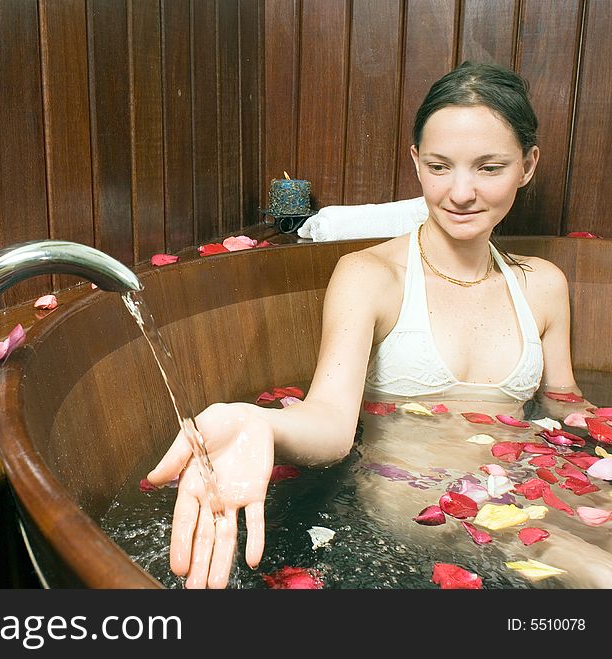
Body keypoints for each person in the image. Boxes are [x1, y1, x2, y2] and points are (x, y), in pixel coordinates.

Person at [146, 61, 587, 589]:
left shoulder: (542, 284)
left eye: (490, 168)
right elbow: (331, 424)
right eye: (440, 166)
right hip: (422, 498)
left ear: (528, 165)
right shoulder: (370, 277)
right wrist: (258, 421)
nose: (462, 192)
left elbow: (565, 403)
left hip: (531, 480)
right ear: (416, 162)